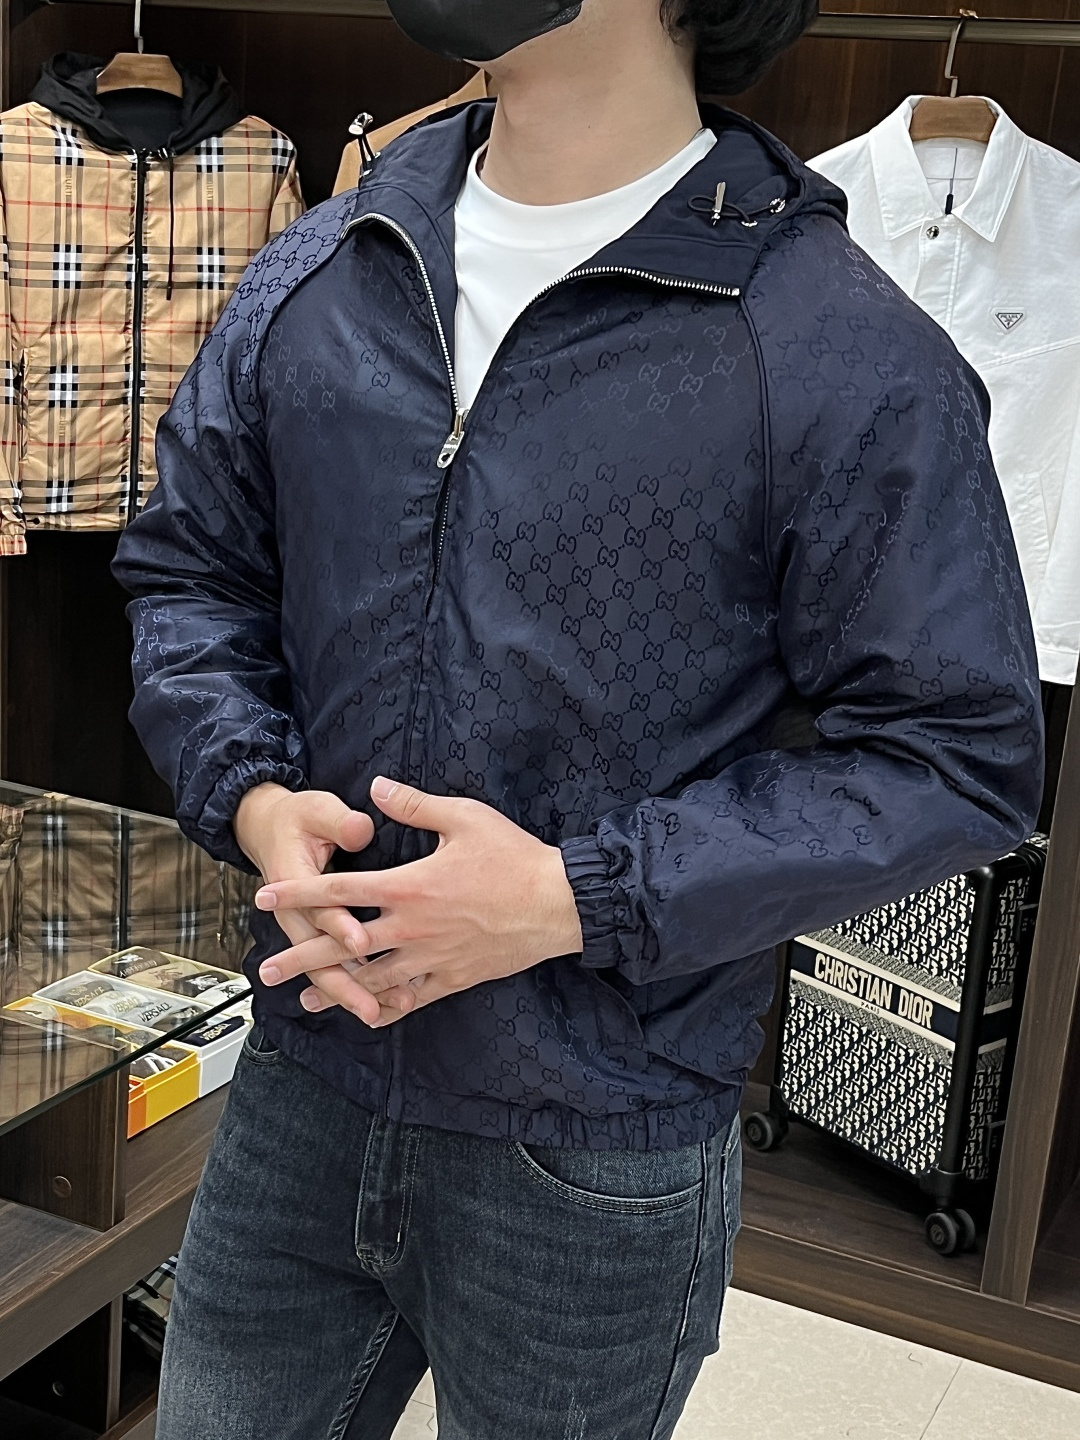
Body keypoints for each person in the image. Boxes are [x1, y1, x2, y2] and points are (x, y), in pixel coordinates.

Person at [113, 1, 1043, 1436]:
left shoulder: (838, 348)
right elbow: (193, 569)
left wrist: (573, 896)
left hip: (596, 1135)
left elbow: (955, 755)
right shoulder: (330, 264)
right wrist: (253, 794)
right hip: (305, 1068)